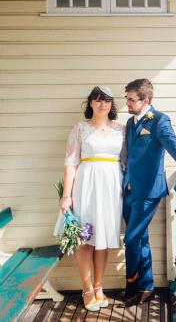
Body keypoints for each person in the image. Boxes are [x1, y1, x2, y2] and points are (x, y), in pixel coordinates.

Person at [122, 78, 176, 306]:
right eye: (126, 98)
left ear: (145, 100)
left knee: (132, 240)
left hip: (149, 191)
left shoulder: (159, 120)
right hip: (129, 189)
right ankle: (146, 288)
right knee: (141, 238)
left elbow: (172, 143)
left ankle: (132, 285)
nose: (127, 103)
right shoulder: (130, 122)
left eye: (131, 99)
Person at [59, 86, 125, 311]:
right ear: (90, 104)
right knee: (85, 239)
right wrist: (66, 195)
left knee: (103, 239)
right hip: (86, 187)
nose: (102, 104)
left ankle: (99, 286)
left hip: (112, 188)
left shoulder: (121, 130)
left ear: (111, 104)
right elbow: (70, 163)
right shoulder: (80, 128)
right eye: (97, 100)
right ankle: (87, 289)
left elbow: (128, 161)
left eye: (106, 100)